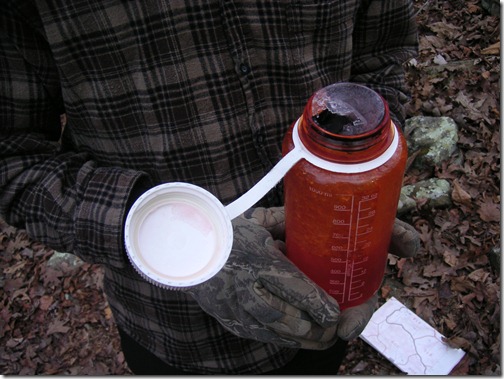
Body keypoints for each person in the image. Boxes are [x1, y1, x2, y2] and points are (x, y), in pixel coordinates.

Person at [0, 0, 420, 375]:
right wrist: (174, 238)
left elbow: (381, 55)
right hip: (175, 334)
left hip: (327, 312)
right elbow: (12, 158)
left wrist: (367, 184)